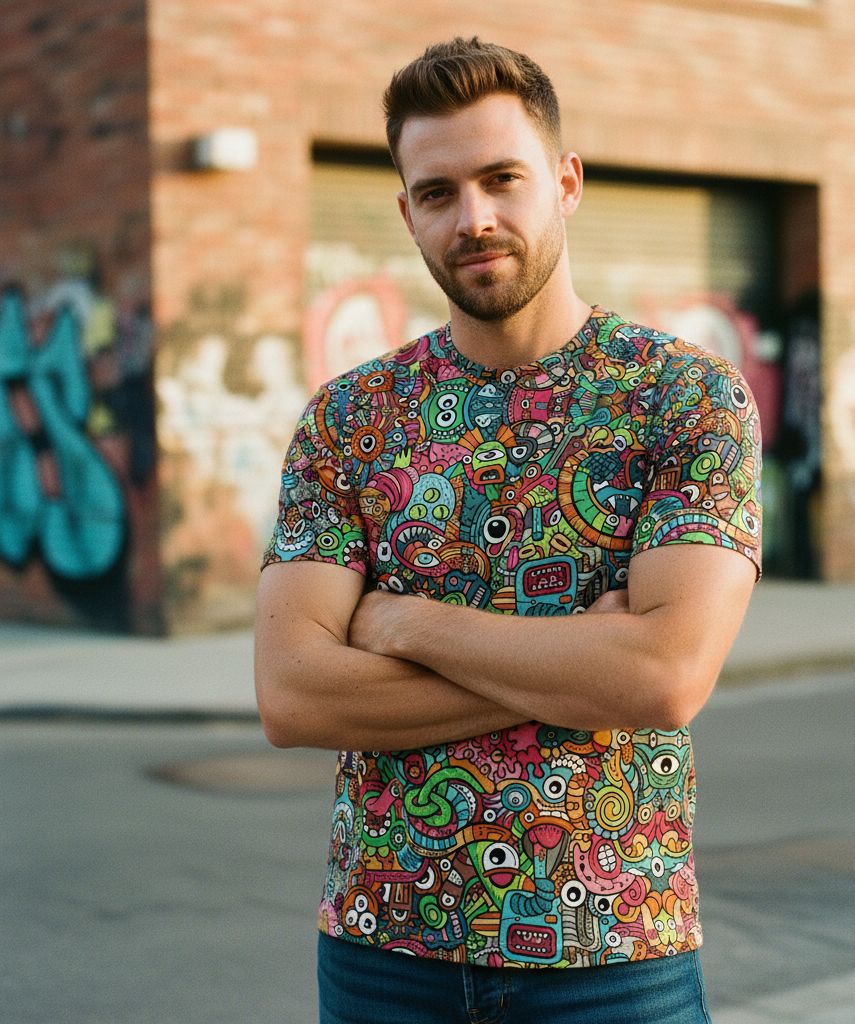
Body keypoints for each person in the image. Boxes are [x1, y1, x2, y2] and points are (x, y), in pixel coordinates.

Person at [256, 36, 761, 1024]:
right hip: (381, 945)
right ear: (406, 211)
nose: (473, 217)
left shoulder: (683, 399)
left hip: (614, 949)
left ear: (564, 182)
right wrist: (581, 662)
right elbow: (293, 696)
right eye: (438, 192)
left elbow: (661, 678)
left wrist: (402, 625)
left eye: (501, 178)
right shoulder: (348, 420)